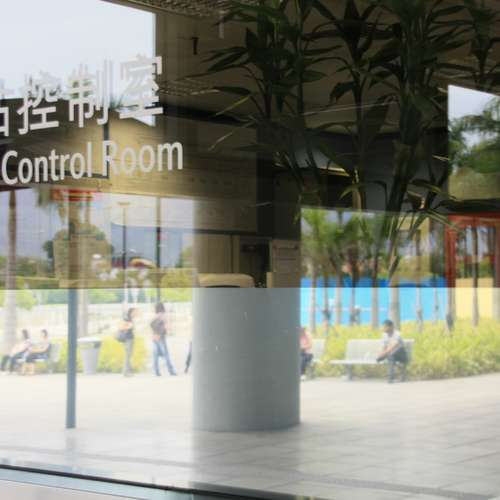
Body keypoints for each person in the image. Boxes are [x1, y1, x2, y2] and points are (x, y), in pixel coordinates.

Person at [150, 303, 176, 376]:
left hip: (154, 337)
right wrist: (168, 331)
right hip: (161, 337)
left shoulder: (154, 316)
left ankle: (156, 372)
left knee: (155, 356)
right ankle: (171, 371)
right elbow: (167, 326)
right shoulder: (164, 316)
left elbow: (151, 326)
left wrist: (154, 334)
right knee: (166, 355)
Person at [119, 308, 137, 377]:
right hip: (127, 339)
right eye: (135, 312)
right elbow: (121, 327)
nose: (136, 313)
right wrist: (129, 326)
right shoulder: (127, 319)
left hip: (129, 338)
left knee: (129, 355)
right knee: (128, 355)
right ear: (131, 312)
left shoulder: (130, 319)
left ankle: (130, 371)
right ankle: (125, 372)